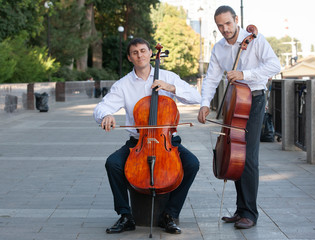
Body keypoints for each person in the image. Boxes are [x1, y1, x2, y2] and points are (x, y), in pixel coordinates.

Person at [93, 38, 201, 234]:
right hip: (138, 143)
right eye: (135, 52)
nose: (140, 55)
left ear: (151, 53)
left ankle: (170, 214)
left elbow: (196, 97)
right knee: (113, 163)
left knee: (192, 164)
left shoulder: (168, 76)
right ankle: (125, 215)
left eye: (143, 51)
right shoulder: (123, 84)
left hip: (167, 141)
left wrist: (172, 88)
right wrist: (106, 114)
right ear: (129, 57)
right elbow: (101, 107)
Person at [197, 6, 281, 229]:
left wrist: (245, 74)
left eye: (228, 23)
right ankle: (240, 209)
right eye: (220, 26)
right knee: (235, 152)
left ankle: (250, 213)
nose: (225, 29)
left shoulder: (255, 39)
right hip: (234, 101)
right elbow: (212, 78)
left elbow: (274, 65)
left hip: (253, 99)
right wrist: (205, 104)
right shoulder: (219, 48)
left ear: (236, 20)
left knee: (248, 155)